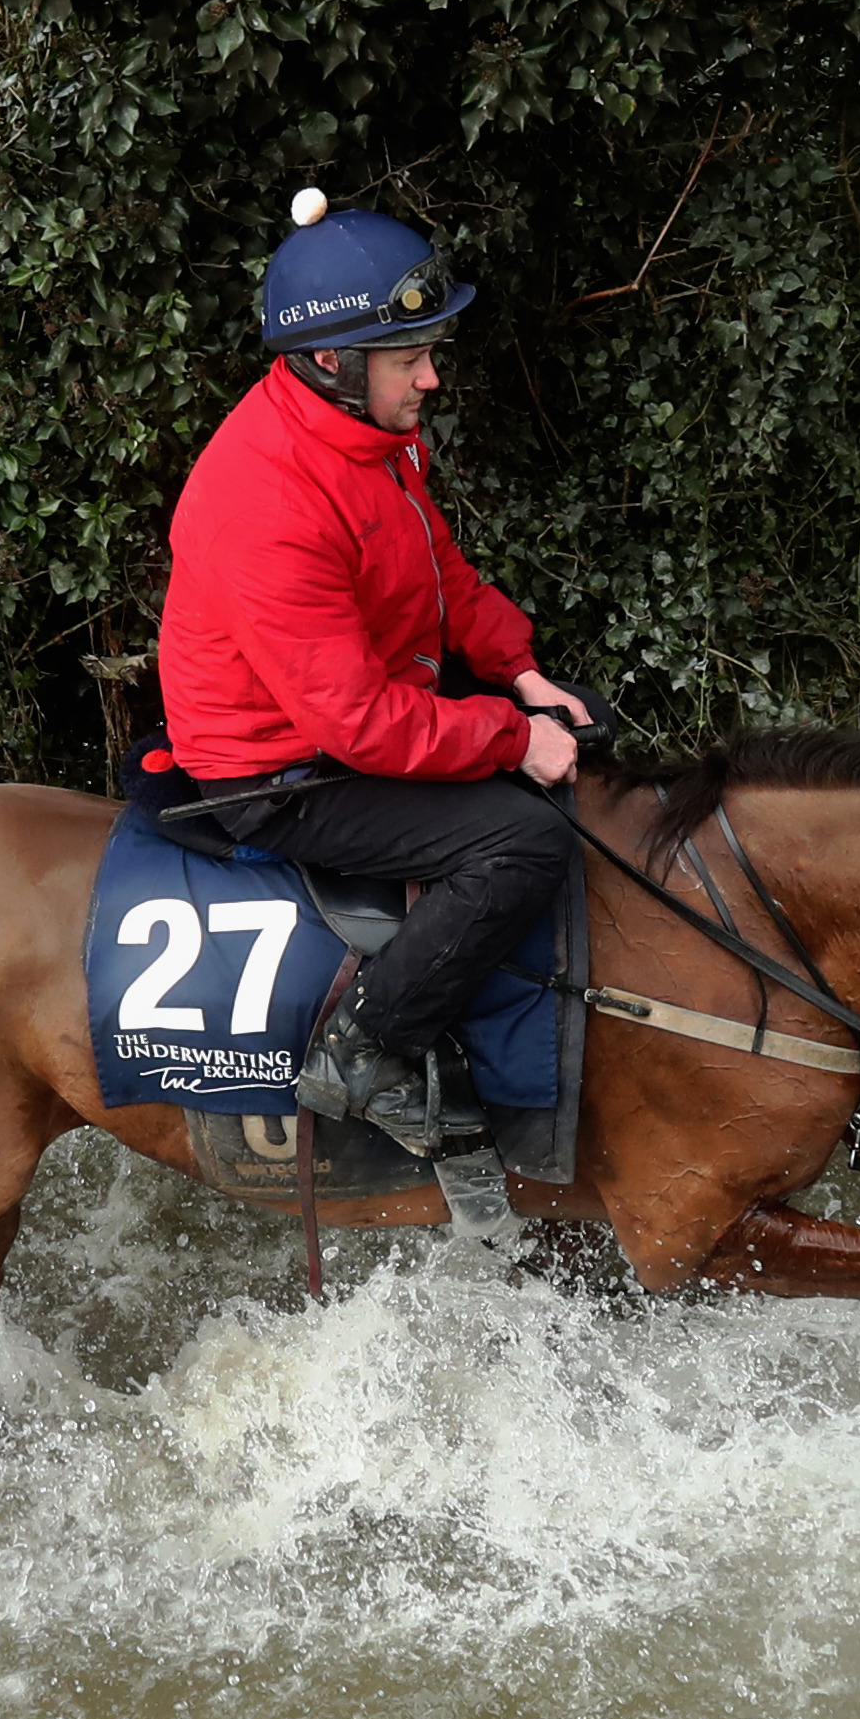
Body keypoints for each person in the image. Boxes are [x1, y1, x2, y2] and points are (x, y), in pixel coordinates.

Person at [159, 190, 589, 1159]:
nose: (431, 379)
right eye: (411, 359)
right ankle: (364, 1052)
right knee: (520, 844)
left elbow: (437, 571)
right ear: (329, 360)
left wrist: (522, 675)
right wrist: (514, 739)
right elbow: (356, 723)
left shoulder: (368, 437)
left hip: (364, 711)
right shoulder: (265, 501)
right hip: (281, 772)